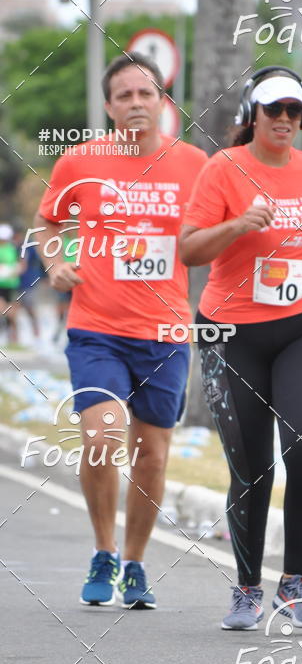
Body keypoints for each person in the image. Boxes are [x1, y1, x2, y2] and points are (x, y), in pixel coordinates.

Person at [180, 66, 302, 630]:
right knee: (252, 467)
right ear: (251, 115)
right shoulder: (224, 169)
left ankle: (296, 583)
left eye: (293, 111)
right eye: (273, 110)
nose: (284, 120)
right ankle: (246, 589)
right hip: (230, 332)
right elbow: (189, 250)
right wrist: (238, 225)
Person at [32, 52, 208, 608]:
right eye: (124, 96)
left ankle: (134, 562)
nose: (136, 103)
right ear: (109, 107)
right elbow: (49, 222)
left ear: (163, 102)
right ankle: (103, 551)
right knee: (103, 436)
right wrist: (54, 261)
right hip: (97, 327)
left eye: (145, 94)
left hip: (165, 331)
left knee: (152, 454)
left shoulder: (196, 165)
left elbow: (216, 230)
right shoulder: (79, 162)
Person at [0, 224, 23, 344]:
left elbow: (21, 265)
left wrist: (15, 269)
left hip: (12, 285)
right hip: (1, 285)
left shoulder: (13, 248)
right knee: (3, 309)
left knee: (12, 313)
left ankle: (14, 338)